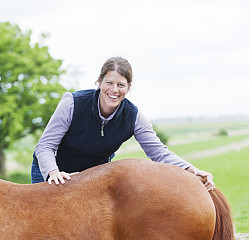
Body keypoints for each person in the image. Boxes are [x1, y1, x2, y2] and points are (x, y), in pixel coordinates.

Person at [31, 56, 215, 191]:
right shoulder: (72, 103)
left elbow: (159, 153)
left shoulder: (133, 117)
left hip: (91, 178)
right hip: (54, 172)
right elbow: (45, 147)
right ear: (99, 82)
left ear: (128, 87)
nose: (114, 90)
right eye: (109, 83)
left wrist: (191, 170)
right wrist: (52, 172)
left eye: (121, 85)